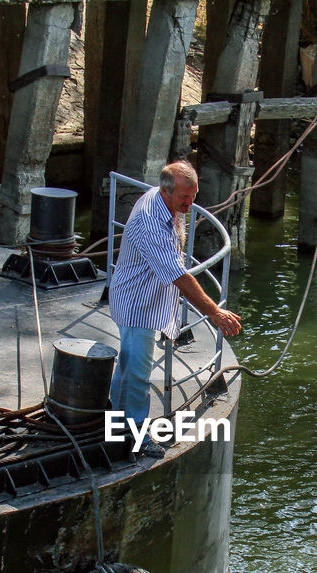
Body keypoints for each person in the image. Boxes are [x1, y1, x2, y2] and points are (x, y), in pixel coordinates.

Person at [108, 161, 242, 457]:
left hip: (141, 298)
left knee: (128, 364)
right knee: (139, 373)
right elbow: (179, 275)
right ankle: (137, 436)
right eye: (184, 198)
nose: (190, 203)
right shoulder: (151, 222)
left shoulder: (162, 199)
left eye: (194, 196)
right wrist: (214, 312)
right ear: (167, 192)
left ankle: (116, 420)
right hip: (137, 306)